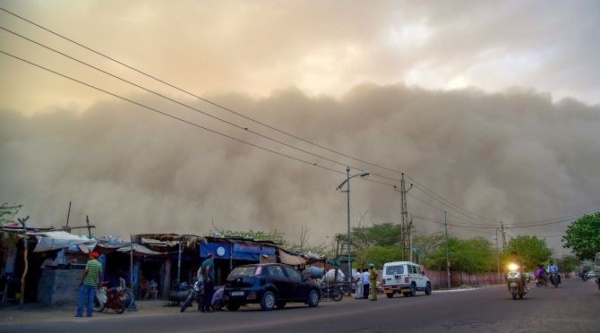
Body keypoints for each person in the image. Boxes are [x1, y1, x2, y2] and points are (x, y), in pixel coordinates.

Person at [76, 252, 102, 317]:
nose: (90, 257)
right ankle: (89, 313)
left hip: (86, 283)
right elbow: (100, 275)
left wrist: (81, 281)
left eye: (91, 256)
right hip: (93, 284)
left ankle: (79, 313)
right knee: (91, 299)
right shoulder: (99, 264)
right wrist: (100, 283)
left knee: (82, 298)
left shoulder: (89, 262)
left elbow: (85, 272)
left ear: (93, 256)